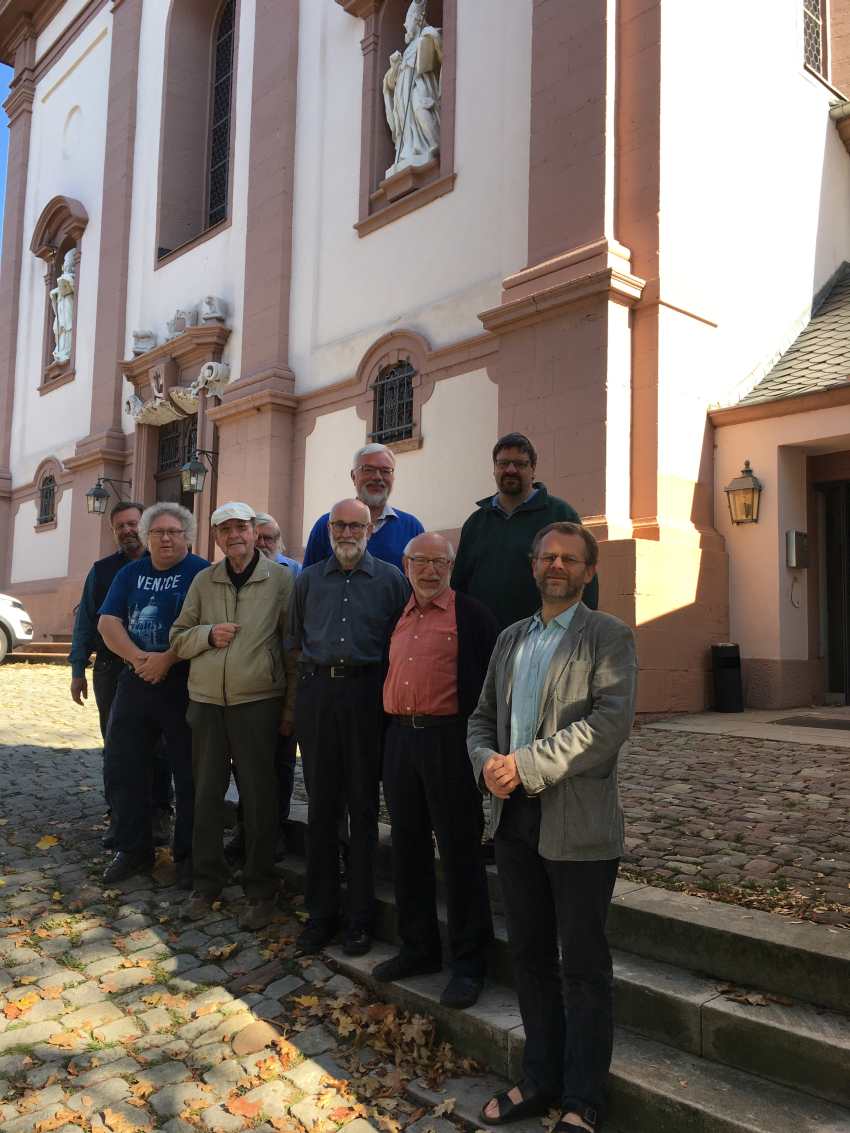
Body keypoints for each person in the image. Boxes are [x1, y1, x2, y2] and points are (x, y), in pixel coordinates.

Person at [468, 522, 637, 1133]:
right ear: (533, 567)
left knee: (583, 967)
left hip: (579, 822)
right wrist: (485, 762)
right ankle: (540, 1079)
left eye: (570, 559)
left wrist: (526, 765)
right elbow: (482, 716)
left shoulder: (608, 636)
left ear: (589, 571)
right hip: (514, 818)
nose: (557, 566)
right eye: (548, 557)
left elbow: (608, 725)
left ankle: (584, 1097)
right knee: (532, 957)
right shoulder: (513, 638)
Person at [375, 532, 496, 1009]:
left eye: (439, 562)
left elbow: (490, 689)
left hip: (450, 740)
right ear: (406, 565)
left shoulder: (471, 616)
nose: (429, 570)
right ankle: (419, 948)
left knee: (460, 851)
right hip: (401, 738)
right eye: (420, 561)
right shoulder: (397, 616)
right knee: (406, 849)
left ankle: (470, 963)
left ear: (451, 566)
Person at [287, 498, 408, 956]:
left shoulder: (392, 581)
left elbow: (400, 644)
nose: (346, 532)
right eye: (338, 524)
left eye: (356, 525)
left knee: (361, 808)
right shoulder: (309, 580)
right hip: (318, 696)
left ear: (371, 528)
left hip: (366, 697)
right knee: (322, 808)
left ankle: (360, 918)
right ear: (329, 528)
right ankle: (320, 914)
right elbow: (294, 639)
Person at [170, 502, 297, 930]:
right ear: (217, 538)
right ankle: (207, 883)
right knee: (206, 794)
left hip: (258, 700)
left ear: (254, 530)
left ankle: (260, 889)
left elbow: (291, 647)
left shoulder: (280, 580)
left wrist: (289, 707)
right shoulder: (205, 581)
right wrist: (208, 634)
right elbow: (178, 638)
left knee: (259, 799)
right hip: (206, 701)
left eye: (240, 527)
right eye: (224, 530)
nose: (233, 535)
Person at [98, 503, 208, 885]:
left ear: (187, 536)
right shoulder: (131, 573)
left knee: (190, 771)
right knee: (123, 765)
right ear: (147, 537)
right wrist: (139, 658)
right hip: (136, 678)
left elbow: (207, 626)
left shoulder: (202, 572)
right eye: (157, 532)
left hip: (185, 682)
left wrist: (168, 659)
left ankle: (189, 855)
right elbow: (108, 621)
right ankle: (133, 850)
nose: (165, 538)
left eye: (173, 532)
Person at [69, 501, 174, 849]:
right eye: (120, 526)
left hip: (160, 667)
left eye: (133, 524)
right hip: (112, 669)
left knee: (159, 745)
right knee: (116, 745)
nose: (128, 530)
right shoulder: (102, 570)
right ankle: (120, 812)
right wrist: (77, 668)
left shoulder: (165, 562)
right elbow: (86, 619)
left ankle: (159, 810)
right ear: (114, 531)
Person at [217, 510, 300, 865]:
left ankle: (274, 830)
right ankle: (245, 828)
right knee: (246, 767)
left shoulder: (293, 574)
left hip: (281, 685)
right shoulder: (228, 576)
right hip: (246, 689)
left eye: (270, 537)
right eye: (259, 536)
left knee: (278, 765)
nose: (264, 542)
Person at [452, 433, 599, 630]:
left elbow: (583, 579)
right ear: (494, 469)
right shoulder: (476, 522)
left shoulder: (560, 514)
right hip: (484, 641)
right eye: (503, 463)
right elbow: (459, 586)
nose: (510, 470)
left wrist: (579, 632)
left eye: (520, 464)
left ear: (533, 470)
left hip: (543, 638)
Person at [302, 443, 423, 571]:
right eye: (368, 469)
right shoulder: (326, 526)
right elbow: (308, 582)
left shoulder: (412, 528)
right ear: (353, 477)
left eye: (385, 471)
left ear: (393, 478)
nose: (377, 477)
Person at [255, 512, 302, 578]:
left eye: (268, 538)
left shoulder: (295, 570)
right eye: (257, 538)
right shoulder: (240, 569)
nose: (262, 543)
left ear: (277, 540)